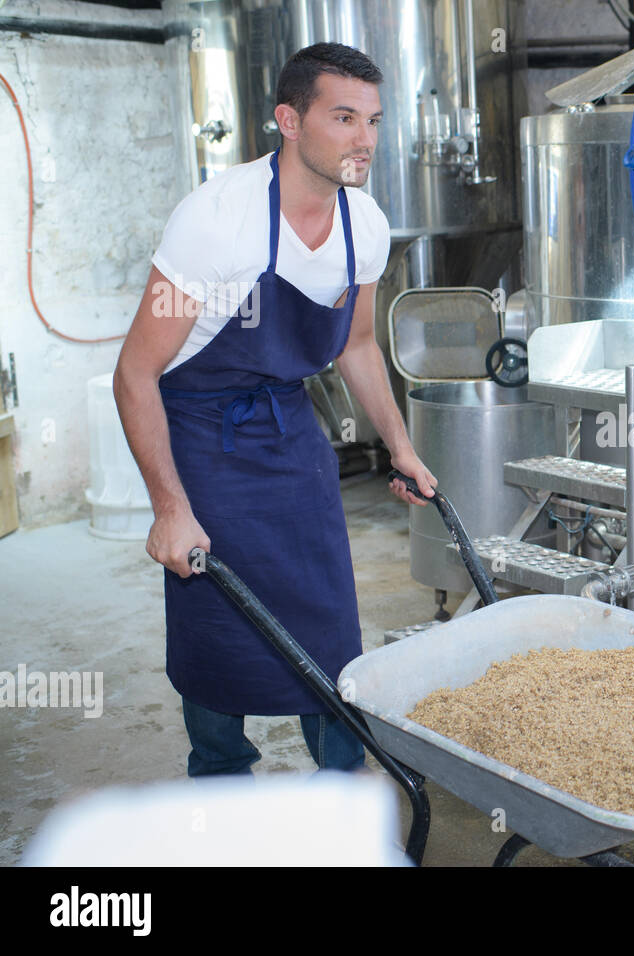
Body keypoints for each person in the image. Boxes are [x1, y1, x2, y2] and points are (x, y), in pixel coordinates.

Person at [113, 43, 437, 776]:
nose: (365, 139)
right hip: (200, 429)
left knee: (327, 608)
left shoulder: (366, 227)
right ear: (290, 120)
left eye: (375, 121)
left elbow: (356, 347)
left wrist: (401, 446)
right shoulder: (214, 222)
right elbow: (135, 373)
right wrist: (170, 508)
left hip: (287, 421)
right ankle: (220, 777)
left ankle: (340, 788)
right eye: (344, 117)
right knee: (215, 617)